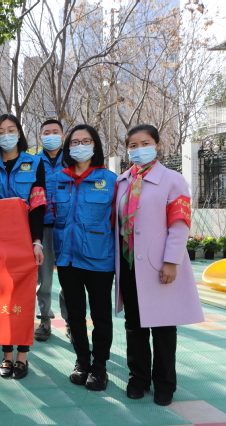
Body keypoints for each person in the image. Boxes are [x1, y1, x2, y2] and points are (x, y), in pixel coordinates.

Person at [115, 124, 202, 406]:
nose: (139, 149)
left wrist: (171, 261)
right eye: (133, 145)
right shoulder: (122, 181)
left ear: (158, 145)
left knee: (163, 326)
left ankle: (165, 383)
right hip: (129, 263)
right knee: (134, 324)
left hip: (158, 264)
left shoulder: (173, 180)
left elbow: (180, 223)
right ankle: (138, 378)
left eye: (146, 143)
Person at [0, 114, 46, 380]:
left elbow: (38, 206)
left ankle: (22, 356)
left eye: (11, 129)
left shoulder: (35, 163)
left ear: (19, 133)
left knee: (24, 298)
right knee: (2, 299)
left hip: (24, 241)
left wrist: (36, 242)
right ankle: (6, 354)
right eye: (1, 131)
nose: (6, 135)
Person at [51, 124, 117, 391]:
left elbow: (118, 220)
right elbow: (48, 215)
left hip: (100, 259)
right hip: (67, 259)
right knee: (75, 314)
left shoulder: (110, 180)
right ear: (68, 148)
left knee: (101, 315)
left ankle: (99, 366)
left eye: (86, 141)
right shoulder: (58, 179)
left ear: (95, 145)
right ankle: (82, 361)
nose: (80, 146)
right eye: (75, 142)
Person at [34, 119, 69, 342]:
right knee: (44, 278)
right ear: (40, 137)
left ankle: (70, 321)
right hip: (44, 226)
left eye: (55, 132)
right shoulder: (33, 162)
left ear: (63, 136)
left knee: (69, 277)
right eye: (46, 132)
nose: (51, 136)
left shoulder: (73, 159)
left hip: (68, 226)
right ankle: (45, 320)